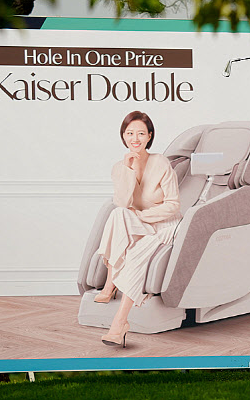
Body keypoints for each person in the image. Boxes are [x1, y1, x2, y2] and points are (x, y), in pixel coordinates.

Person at [95, 111, 182, 347]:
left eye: (141, 133)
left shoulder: (161, 162)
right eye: (130, 133)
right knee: (118, 213)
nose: (135, 138)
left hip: (164, 223)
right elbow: (122, 203)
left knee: (136, 253)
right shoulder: (119, 167)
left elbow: (173, 205)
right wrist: (128, 170)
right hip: (137, 220)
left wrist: (143, 216)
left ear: (149, 136)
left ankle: (119, 323)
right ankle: (111, 282)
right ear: (123, 136)